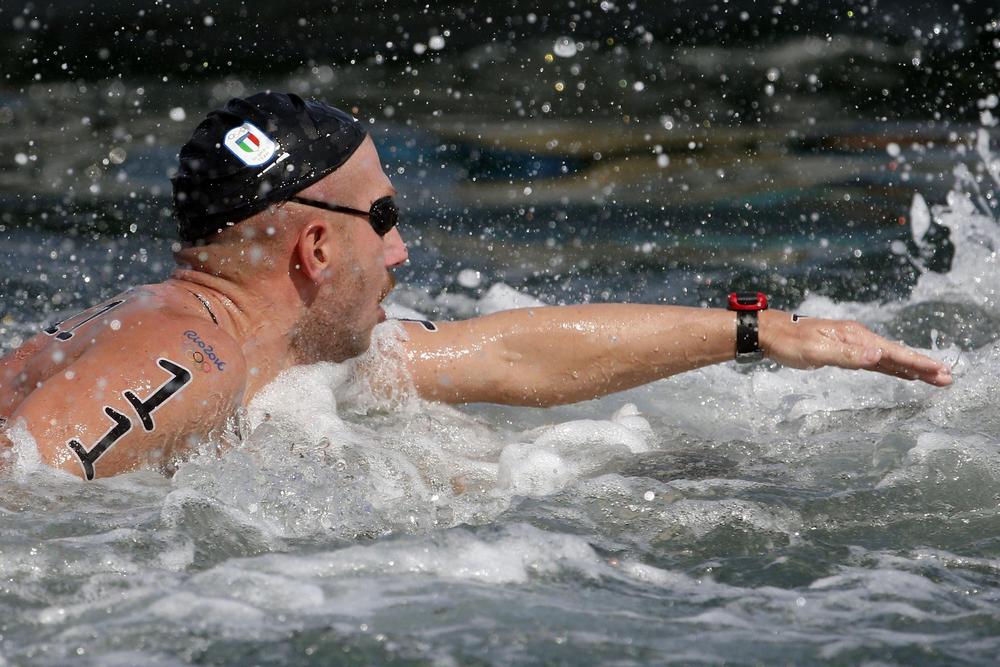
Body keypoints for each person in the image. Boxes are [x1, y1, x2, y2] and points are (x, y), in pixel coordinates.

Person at [0, 92, 952, 480]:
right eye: (383, 218)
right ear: (318, 254)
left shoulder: (273, 351)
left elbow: (511, 352)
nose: (405, 250)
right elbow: (25, 486)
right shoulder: (183, 358)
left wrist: (760, 330)